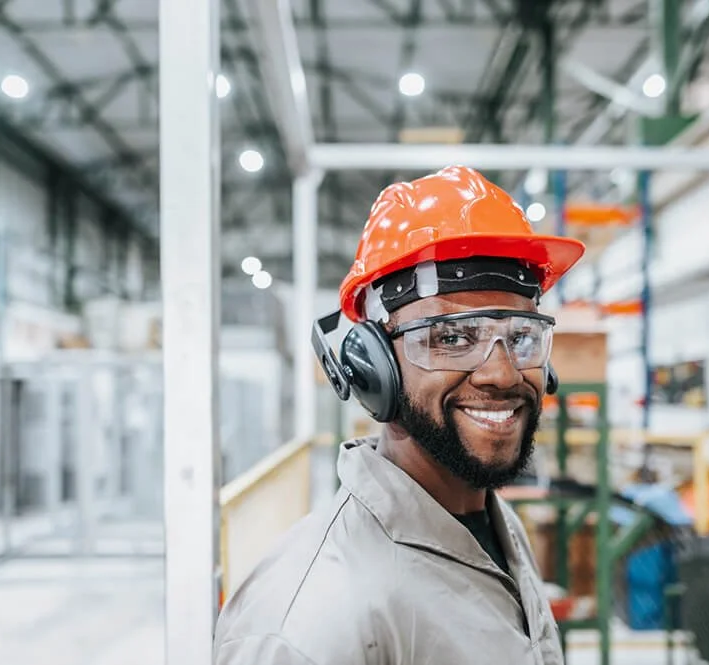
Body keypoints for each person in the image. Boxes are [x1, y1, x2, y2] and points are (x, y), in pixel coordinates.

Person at [213, 165, 586, 664]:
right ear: (373, 368)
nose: (501, 374)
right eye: (451, 338)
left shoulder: (495, 528)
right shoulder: (308, 622)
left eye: (520, 336)